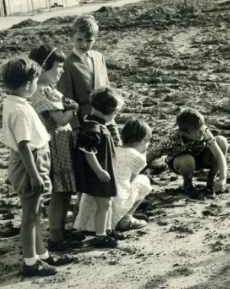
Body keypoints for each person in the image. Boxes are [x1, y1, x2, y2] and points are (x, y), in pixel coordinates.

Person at [1, 58, 73, 277]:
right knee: (30, 216)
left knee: (36, 213)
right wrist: (35, 176)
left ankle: (42, 254)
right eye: (34, 81)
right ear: (26, 84)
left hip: (34, 160)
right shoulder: (19, 110)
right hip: (30, 164)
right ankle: (31, 262)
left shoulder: (15, 103)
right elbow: (23, 146)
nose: (36, 85)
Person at [28, 45, 84, 252]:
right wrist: (73, 108)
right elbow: (59, 120)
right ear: (44, 67)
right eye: (58, 67)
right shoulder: (41, 92)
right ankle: (56, 235)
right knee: (60, 191)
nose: (61, 71)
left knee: (66, 189)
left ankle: (59, 230)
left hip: (62, 143)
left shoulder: (50, 90)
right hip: (55, 145)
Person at [75, 119, 151, 232]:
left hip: (97, 196)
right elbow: (129, 181)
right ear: (144, 140)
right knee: (144, 181)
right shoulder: (138, 158)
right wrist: (144, 154)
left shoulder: (113, 149)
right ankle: (126, 218)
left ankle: (88, 222)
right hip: (114, 199)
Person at [58, 15, 121, 145]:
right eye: (79, 40)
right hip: (85, 120)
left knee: (115, 147)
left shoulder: (99, 57)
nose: (84, 44)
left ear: (95, 39)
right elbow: (67, 98)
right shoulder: (68, 64)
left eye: (89, 40)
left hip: (106, 116)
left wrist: (112, 111)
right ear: (72, 37)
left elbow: (107, 87)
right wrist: (75, 127)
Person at [73, 88, 123, 248]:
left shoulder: (93, 124)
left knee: (106, 202)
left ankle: (107, 229)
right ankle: (100, 235)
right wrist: (99, 171)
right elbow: (88, 151)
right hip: (98, 174)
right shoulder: (94, 128)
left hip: (102, 170)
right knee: (104, 205)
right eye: (115, 113)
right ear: (110, 112)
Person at [148, 108, 228, 198]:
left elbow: (218, 154)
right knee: (187, 159)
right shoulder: (172, 138)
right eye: (198, 131)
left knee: (221, 141)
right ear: (185, 132)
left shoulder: (202, 129)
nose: (202, 132)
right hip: (181, 162)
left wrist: (222, 178)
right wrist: (144, 174)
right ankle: (188, 185)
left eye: (202, 127)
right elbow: (151, 154)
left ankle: (211, 182)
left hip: (201, 157)